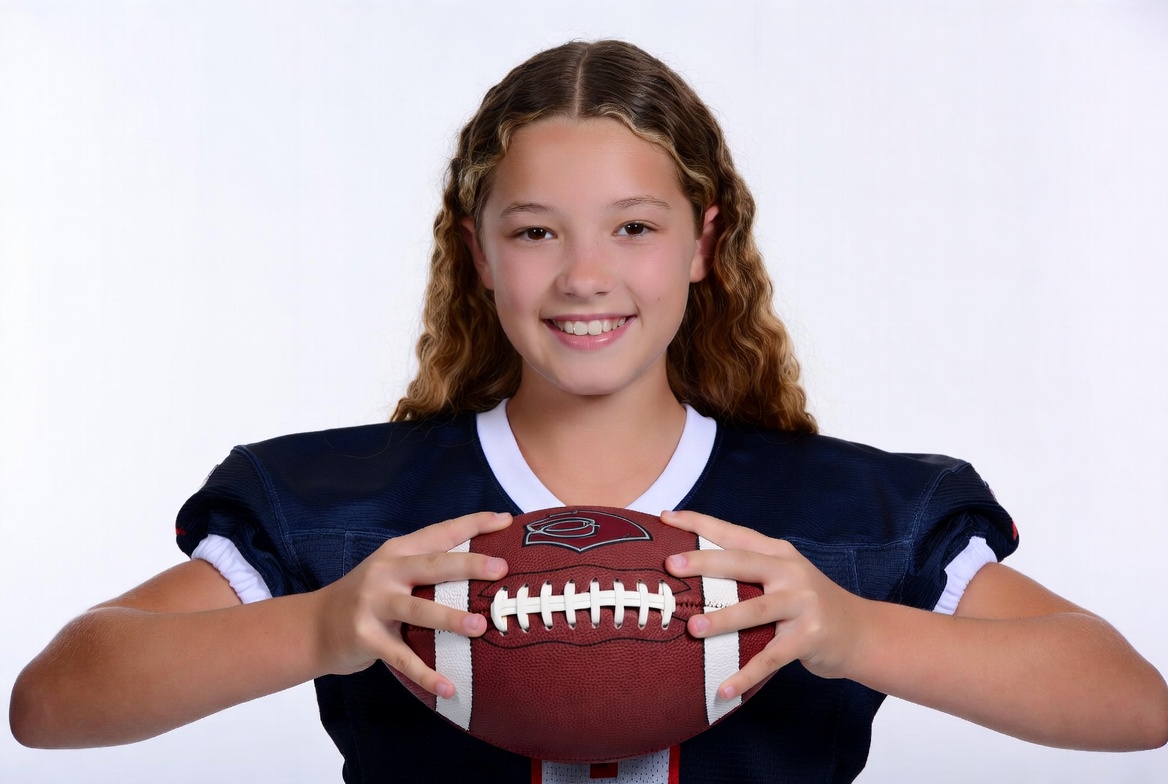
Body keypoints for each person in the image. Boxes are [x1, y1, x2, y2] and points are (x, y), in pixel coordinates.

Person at [10, 39, 1168, 784]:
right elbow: (54, 698)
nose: (582, 276)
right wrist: (323, 623)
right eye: (533, 231)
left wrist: (852, 629)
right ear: (477, 254)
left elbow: (1129, 700)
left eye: (632, 226)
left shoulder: (852, 516)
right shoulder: (340, 507)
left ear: (704, 244)